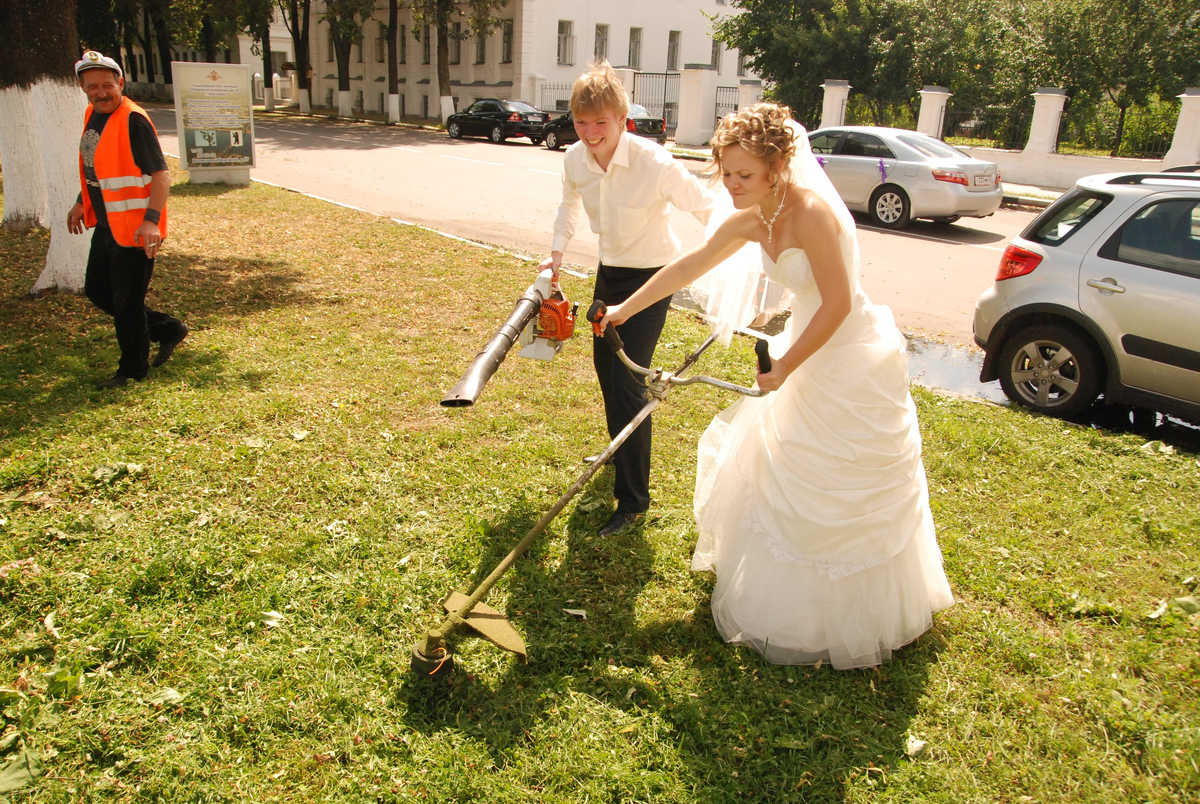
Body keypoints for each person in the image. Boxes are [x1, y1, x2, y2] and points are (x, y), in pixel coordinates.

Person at [600, 103, 953, 669]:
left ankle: (851, 613)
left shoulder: (811, 214)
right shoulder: (750, 218)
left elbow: (837, 304)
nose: (732, 185)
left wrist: (786, 366)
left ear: (777, 168)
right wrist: (625, 308)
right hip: (802, 343)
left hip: (844, 349)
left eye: (744, 174)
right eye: (726, 173)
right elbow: (688, 266)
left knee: (840, 475)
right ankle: (785, 598)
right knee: (784, 466)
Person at [540, 61, 716, 537]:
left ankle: (633, 501)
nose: (590, 132)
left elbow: (707, 208)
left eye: (601, 122)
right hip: (610, 273)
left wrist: (739, 254)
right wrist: (556, 255)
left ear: (622, 119)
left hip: (653, 278)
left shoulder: (653, 163)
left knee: (629, 381)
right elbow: (568, 206)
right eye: (581, 122)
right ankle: (619, 453)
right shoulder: (575, 159)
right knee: (606, 370)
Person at [67, 50, 188, 389]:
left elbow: (161, 174)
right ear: (83, 88)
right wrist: (81, 201)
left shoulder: (133, 120)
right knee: (97, 291)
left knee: (126, 303)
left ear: (120, 83)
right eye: (93, 86)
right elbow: (98, 167)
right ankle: (168, 329)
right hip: (108, 223)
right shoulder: (93, 113)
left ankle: (133, 369)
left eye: (107, 85)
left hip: (136, 229)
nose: (101, 92)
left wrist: (151, 222)